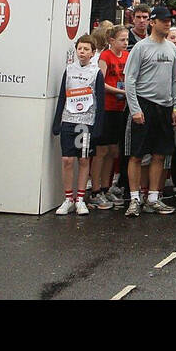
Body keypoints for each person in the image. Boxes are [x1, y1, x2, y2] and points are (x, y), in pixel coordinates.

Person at [122, 5, 176, 217]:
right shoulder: (140, 48)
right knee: (137, 154)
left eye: (170, 21)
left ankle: (154, 197)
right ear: (153, 22)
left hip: (164, 107)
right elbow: (129, 80)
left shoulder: (171, 48)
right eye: (164, 20)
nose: (168, 24)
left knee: (159, 154)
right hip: (144, 105)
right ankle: (134, 198)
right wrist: (135, 109)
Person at [51, 35, 106, 216]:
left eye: (86, 49)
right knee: (67, 160)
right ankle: (68, 198)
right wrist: (57, 120)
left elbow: (100, 100)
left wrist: (98, 126)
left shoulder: (96, 72)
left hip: (85, 122)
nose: (82, 52)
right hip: (69, 119)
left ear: (93, 53)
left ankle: (80, 198)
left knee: (83, 160)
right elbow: (62, 96)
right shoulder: (69, 69)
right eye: (80, 49)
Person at [90, 26, 129, 209]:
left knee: (113, 150)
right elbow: (101, 83)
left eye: (127, 39)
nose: (125, 43)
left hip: (120, 108)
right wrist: (121, 91)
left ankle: (106, 187)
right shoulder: (105, 57)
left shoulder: (127, 56)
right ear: (111, 40)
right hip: (106, 107)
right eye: (122, 39)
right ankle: (95, 190)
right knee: (101, 151)